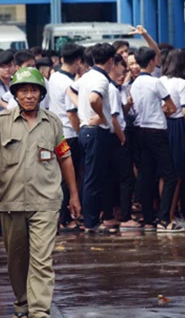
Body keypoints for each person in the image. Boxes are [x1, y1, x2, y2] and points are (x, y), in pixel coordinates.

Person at [0, 67, 80, 318]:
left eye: (34, 90)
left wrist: (74, 195)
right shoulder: (0, 124)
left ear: (41, 94)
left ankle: (39, 311)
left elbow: (65, 157)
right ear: (15, 94)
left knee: (42, 260)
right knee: (17, 260)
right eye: (24, 90)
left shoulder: (53, 122)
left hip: (46, 201)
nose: (30, 95)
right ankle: (23, 304)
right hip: (11, 202)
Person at [130, 47, 182, 232]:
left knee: (145, 175)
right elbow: (172, 107)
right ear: (152, 62)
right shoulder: (155, 82)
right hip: (157, 130)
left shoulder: (134, 83)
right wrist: (163, 111)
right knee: (170, 175)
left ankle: (149, 218)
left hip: (140, 130)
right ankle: (164, 219)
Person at [67, 43, 116, 233]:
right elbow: (94, 99)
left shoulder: (86, 76)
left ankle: (92, 219)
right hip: (96, 131)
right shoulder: (101, 80)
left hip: (87, 130)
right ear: (111, 61)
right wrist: (101, 116)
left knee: (92, 176)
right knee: (93, 178)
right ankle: (91, 222)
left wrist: (81, 109)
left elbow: (70, 90)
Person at [47, 43, 84, 232]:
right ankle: (67, 217)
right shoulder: (70, 84)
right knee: (70, 177)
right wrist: (80, 133)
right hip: (70, 134)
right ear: (78, 61)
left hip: (57, 134)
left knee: (60, 177)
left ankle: (61, 216)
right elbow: (72, 113)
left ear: (61, 59)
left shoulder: (53, 78)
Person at [159, 49, 185, 227]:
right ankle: (170, 216)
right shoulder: (183, 83)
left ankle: (165, 213)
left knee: (165, 174)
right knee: (177, 174)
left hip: (163, 125)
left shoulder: (161, 80)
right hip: (179, 126)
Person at [108, 54, 142, 230]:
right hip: (117, 137)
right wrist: (122, 138)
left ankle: (115, 212)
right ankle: (125, 216)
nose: (124, 74)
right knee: (126, 178)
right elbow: (114, 118)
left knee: (118, 178)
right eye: (122, 69)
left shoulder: (118, 88)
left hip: (117, 135)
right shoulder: (112, 89)